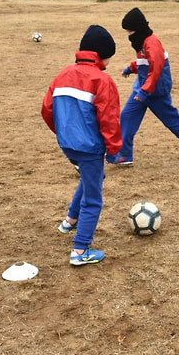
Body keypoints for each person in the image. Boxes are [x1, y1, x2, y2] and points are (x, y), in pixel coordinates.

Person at [42, 25, 122, 266]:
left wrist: (64, 133)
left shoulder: (63, 74)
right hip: (89, 148)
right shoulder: (102, 80)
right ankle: (80, 250)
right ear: (102, 54)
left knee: (91, 179)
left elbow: (47, 110)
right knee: (94, 197)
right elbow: (109, 119)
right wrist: (115, 149)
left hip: (68, 146)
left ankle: (70, 220)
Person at [108, 7, 179, 165]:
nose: (128, 35)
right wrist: (131, 68)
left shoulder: (152, 42)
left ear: (137, 29)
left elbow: (156, 68)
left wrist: (145, 91)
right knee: (127, 116)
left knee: (171, 120)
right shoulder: (142, 42)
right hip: (142, 88)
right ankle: (125, 154)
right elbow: (144, 62)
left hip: (155, 91)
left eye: (129, 31)